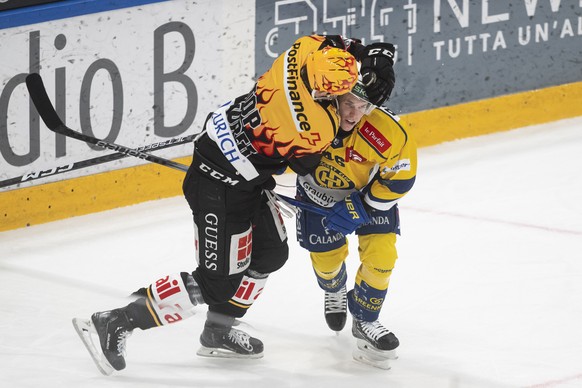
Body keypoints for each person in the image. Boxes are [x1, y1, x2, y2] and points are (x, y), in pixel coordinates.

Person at [72, 34, 396, 375]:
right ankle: (118, 320)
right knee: (216, 283)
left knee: (271, 253)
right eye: (338, 96)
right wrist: (371, 80)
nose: (345, 104)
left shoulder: (304, 49)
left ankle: (218, 330)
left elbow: (340, 42)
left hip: (237, 163)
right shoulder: (314, 125)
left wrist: (364, 54)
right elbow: (308, 165)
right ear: (326, 91)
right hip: (218, 186)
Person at [295, 49, 417, 368]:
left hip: (367, 195)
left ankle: (365, 319)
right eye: (348, 103)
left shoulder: (384, 131)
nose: (354, 114)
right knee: (327, 264)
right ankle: (333, 288)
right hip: (317, 193)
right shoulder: (309, 115)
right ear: (333, 97)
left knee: (383, 257)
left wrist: (362, 205)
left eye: (362, 106)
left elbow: (401, 178)